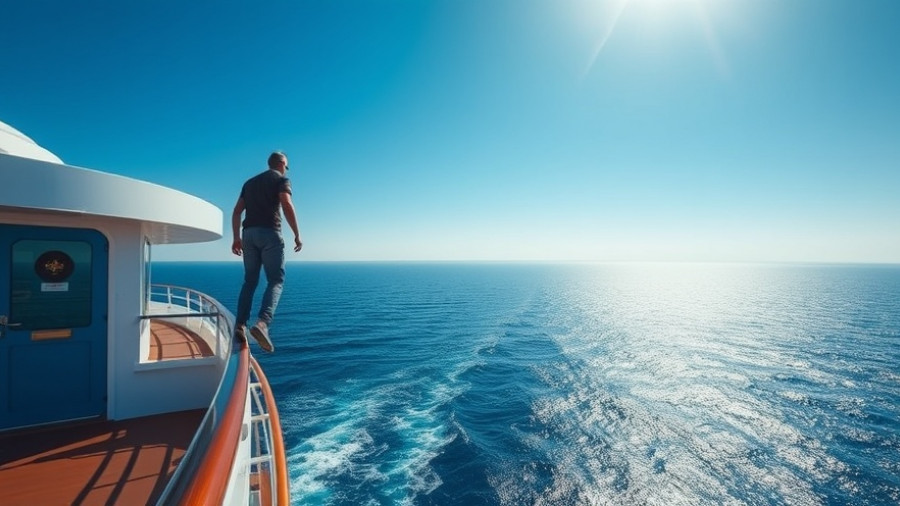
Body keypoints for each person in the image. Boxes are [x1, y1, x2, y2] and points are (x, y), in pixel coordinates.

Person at [231, 151, 302, 352]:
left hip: (248, 235)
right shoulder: (282, 180)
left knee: (250, 281)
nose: (286, 169)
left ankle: (240, 325)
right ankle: (262, 324)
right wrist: (297, 234)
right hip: (270, 234)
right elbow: (286, 204)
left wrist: (236, 238)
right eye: (286, 166)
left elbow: (237, 211)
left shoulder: (249, 183)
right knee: (276, 280)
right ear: (281, 164)